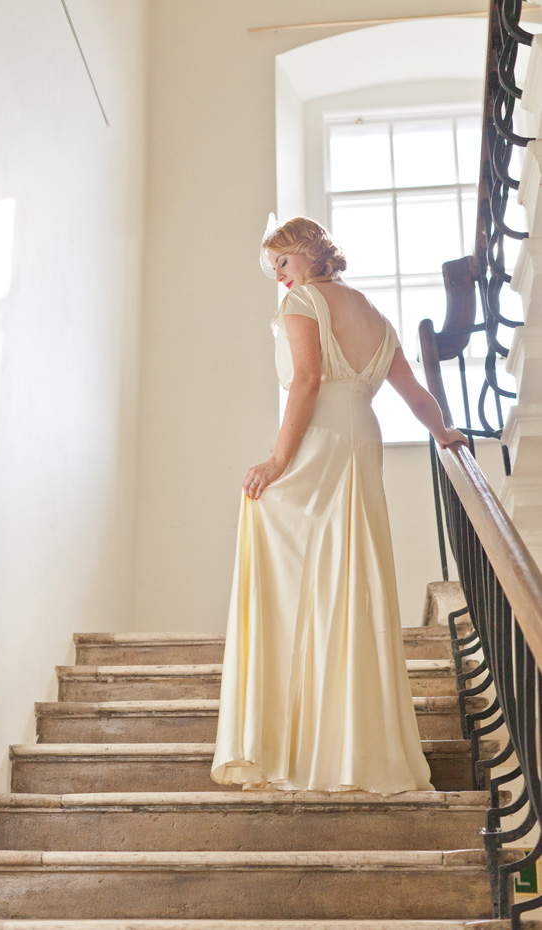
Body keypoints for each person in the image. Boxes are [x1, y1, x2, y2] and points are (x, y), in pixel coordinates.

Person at [210, 215, 467, 795]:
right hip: (362, 437)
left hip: (320, 438)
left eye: (282, 261)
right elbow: (414, 393)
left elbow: (305, 381)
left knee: (271, 528)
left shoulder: (303, 302)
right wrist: (444, 431)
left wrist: (277, 461)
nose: (278, 276)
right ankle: (348, 746)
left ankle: (292, 737)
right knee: (350, 581)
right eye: (273, 267)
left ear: (308, 252)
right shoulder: (375, 316)